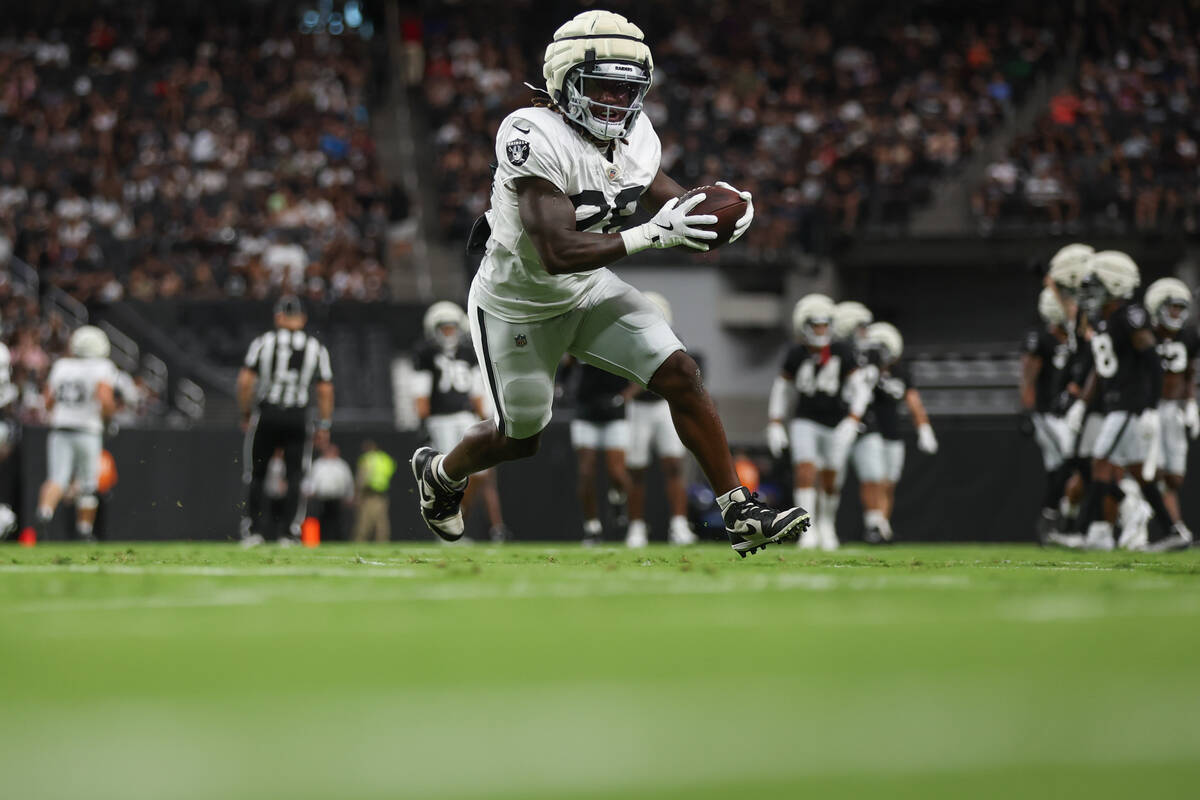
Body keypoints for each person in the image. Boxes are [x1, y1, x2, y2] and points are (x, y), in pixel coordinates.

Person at [408, 10, 808, 557]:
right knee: (519, 439)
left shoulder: (636, 135)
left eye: (627, 90)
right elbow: (556, 252)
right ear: (564, 82)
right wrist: (656, 234)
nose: (616, 103)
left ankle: (739, 509)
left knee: (680, 372)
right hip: (516, 304)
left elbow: (664, 196)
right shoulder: (531, 133)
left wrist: (712, 214)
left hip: (589, 288)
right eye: (602, 87)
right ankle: (441, 473)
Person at [1056, 252, 1163, 551]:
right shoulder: (1106, 318)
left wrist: (1151, 407)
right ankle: (1109, 530)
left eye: (1097, 285)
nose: (1090, 292)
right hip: (1115, 403)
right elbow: (1101, 370)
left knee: (1102, 465)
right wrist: (1081, 404)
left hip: (1127, 405)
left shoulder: (1129, 316)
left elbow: (1152, 362)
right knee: (1126, 470)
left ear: (1115, 283)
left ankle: (1108, 523)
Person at [767, 294, 872, 550]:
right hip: (806, 419)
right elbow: (782, 388)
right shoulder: (795, 353)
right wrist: (775, 422)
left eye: (825, 325)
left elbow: (861, 388)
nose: (822, 330)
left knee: (831, 477)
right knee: (804, 469)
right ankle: (808, 528)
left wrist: (853, 419)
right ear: (804, 326)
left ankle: (827, 524)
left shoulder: (841, 351)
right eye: (816, 325)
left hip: (836, 421)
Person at [238, 295, 334, 546]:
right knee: (295, 476)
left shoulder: (263, 343)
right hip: (297, 416)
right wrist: (324, 423)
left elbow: (245, 382)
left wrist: (245, 413)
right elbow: (324, 390)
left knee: (256, 473)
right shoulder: (316, 347)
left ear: (278, 316)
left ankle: (254, 531)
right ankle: (289, 533)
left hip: (267, 413)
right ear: (302, 318)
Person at [412, 301, 511, 543]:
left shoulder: (468, 352)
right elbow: (421, 392)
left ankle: (454, 521)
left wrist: (488, 419)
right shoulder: (425, 353)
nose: (448, 333)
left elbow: (477, 392)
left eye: (451, 327)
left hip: (466, 418)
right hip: (440, 420)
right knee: (447, 476)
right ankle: (445, 531)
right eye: (443, 328)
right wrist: (423, 421)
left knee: (479, 475)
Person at [853, 322, 937, 543]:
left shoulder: (900, 372)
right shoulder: (863, 371)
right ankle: (873, 524)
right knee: (874, 479)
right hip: (870, 430)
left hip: (892, 431)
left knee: (888, 483)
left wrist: (924, 428)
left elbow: (913, 401)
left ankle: (882, 525)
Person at [625, 292, 697, 547]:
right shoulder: (628, 338)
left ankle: (678, 525)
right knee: (635, 470)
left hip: (664, 406)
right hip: (637, 410)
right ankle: (636, 527)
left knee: (675, 466)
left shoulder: (673, 338)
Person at [35, 326, 117, 542]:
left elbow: (48, 400)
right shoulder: (102, 366)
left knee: (56, 479)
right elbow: (105, 398)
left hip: (61, 428)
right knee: (88, 483)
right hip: (87, 430)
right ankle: (84, 530)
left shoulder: (62, 366)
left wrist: (62, 414)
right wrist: (108, 419)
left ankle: (44, 515)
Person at [1142, 278, 1198, 550]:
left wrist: (1191, 402)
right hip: (1151, 408)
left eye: (1180, 308)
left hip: (1174, 410)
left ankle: (1174, 529)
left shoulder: (1188, 337)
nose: (1176, 313)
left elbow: (1189, 373)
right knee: (1158, 472)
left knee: (1174, 477)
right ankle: (1173, 528)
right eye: (1171, 307)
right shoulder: (1145, 334)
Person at [1019, 288, 1075, 539]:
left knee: (1059, 468)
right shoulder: (1040, 337)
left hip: (1072, 412)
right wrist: (1027, 411)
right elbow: (1028, 377)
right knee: (1068, 461)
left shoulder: (1076, 336)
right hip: (1048, 414)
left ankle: (1057, 520)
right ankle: (1056, 516)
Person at [567, 358, 633, 546]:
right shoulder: (580, 334)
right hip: (585, 411)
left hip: (614, 413)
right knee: (586, 472)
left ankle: (618, 500)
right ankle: (592, 527)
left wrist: (624, 396)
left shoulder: (619, 337)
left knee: (617, 474)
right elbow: (567, 361)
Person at [304, 441, 355, 541]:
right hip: (322, 498)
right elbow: (311, 480)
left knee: (338, 522)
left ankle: (338, 541)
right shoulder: (318, 464)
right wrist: (309, 491)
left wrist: (349, 496)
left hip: (336, 498)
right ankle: (322, 539)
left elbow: (348, 481)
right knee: (323, 521)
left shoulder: (341, 465)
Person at [354, 439, 395, 543]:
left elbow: (362, 478)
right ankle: (383, 541)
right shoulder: (385, 459)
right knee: (381, 521)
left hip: (369, 494)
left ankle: (360, 541)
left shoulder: (367, 459)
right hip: (381, 494)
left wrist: (358, 494)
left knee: (364, 521)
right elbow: (389, 472)